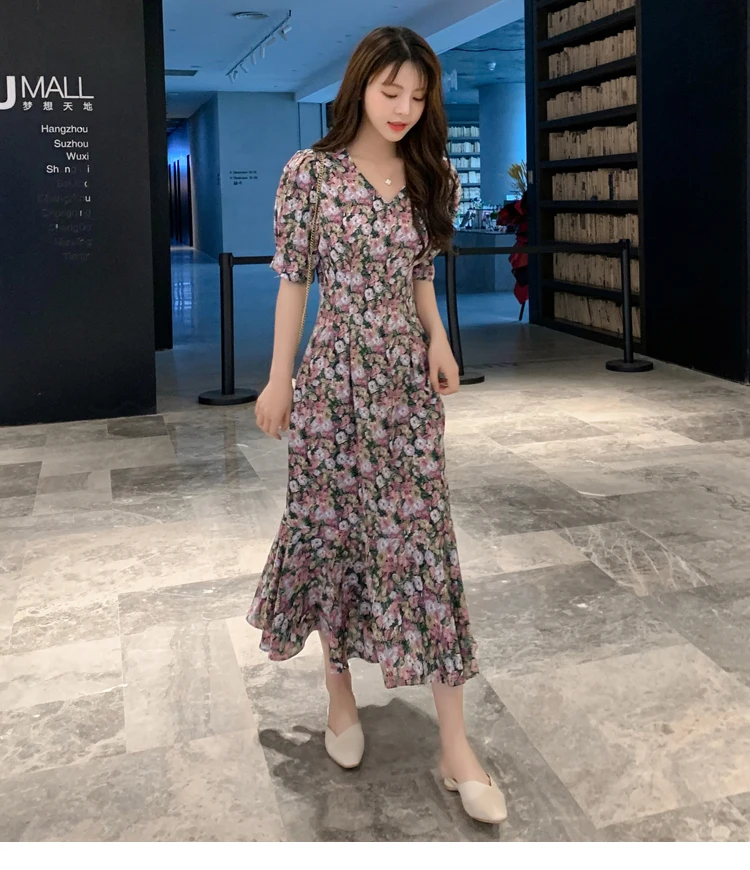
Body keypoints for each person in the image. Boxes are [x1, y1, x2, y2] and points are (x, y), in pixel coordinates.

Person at [248, 25, 507, 826]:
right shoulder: (310, 174)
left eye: (418, 96)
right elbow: (294, 282)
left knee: (424, 544)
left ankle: (455, 745)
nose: (403, 108)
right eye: (391, 91)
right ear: (360, 84)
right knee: (333, 534)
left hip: (403, 382)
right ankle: (339, 698)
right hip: (332, 379)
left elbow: (420, 273)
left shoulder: (429, 174)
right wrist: (279, 377)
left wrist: (438, 337)